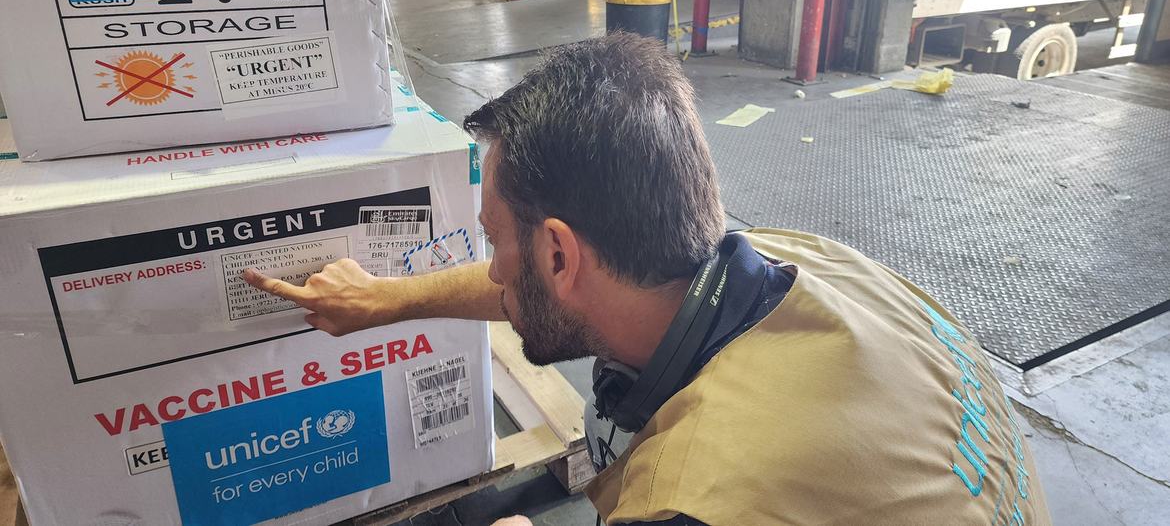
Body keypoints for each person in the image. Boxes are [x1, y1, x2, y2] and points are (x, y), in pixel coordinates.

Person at [244, 33, 1051, 526]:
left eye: (496, 240)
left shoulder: (700, 499)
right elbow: (528, 287)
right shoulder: (806, 263)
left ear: (560, 255)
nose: (492, 266)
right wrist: (382, 300)